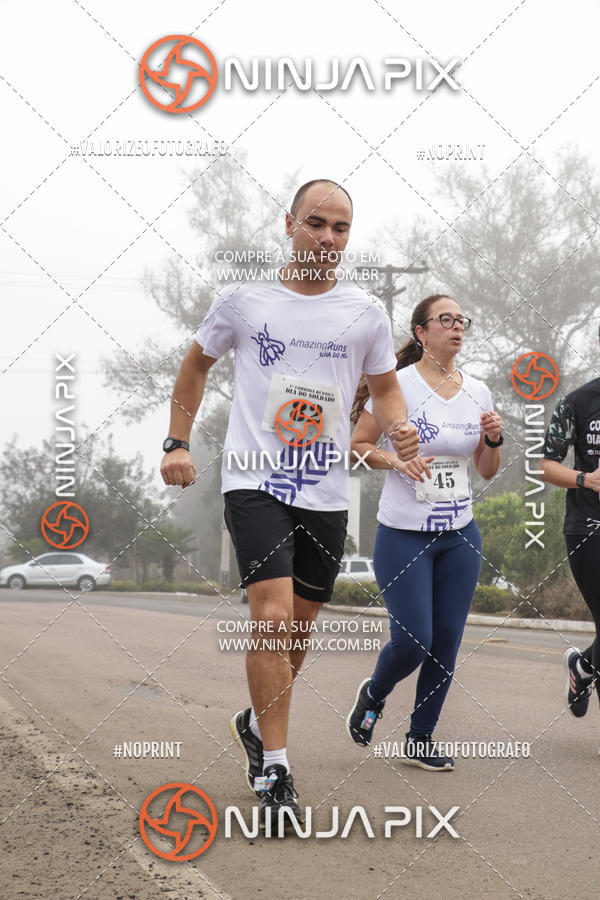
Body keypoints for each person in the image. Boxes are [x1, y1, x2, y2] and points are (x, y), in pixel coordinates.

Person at [160, 179, 419, 826]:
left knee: (298, 629)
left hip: (324, 488)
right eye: (316, 223)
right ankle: (275, 766)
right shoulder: (243, 301)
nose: (328, 237)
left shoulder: (365, 313)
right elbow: (195, 367)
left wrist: (398, 423)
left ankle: (254, 723)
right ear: (289, 224)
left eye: (340, 228)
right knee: (272, 620)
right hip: (255, 480)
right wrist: (177, 442)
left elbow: (385, 389)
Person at [346, 294, 503, 770]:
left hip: (460, 534)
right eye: (445, 320)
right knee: (413, 639)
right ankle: (374, 693)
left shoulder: (479, 391)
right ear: (421, 332)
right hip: (404, 534)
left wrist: (493, 439)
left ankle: (420, 737)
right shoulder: (398, 386)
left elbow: (486, 470)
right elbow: (358, 446)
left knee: (447, 640)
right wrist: (397, 460)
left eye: (462, 321)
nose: (457, 327)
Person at [541, 356, 600, 719]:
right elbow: (547, 465)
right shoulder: (577, 402)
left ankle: (583, 667)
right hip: (588, 528)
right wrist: (586, 479)